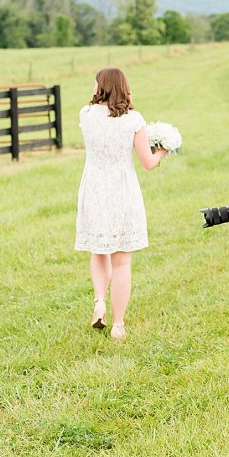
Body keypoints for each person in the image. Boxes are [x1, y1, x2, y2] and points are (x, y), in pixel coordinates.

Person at [75, 67, 166, 341]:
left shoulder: (86, 115)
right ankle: (118, 325)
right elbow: (148, 163)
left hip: (93, 187)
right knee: (122, 260)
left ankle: (99, 301)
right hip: (122, 190)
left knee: (98, 251)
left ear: (101, 86)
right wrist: (163, 149)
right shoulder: (133, 120)